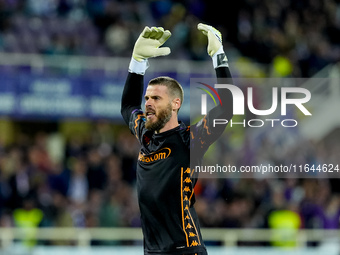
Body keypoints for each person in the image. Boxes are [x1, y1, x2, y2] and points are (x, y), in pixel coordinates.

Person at [121, 23, 233, 255]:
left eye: (156, 98)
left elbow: (227, 107)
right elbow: (128, 106)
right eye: (147, 97)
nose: (148, 103)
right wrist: (137, 62)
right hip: (152, 251)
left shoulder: (190, 139)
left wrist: (218, 56)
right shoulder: (145, 134)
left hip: (185, 250)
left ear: (175, 104)